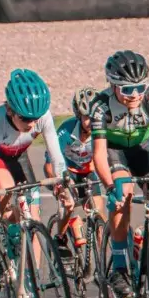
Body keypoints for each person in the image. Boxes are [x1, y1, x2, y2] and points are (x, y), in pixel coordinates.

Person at [0, 68, 70, 298]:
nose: (31, 123)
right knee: (1, 188)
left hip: (18, 158)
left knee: (31, 219)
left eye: (35, 117)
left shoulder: (42, 117)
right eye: (25, 118)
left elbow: (57, 157)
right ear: (9, 110)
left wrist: (63, 184)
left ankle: (32, 287)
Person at [90, 50, 149, 298]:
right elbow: (100, 154)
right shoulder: (100, 106)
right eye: (126, 90)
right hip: (115, 152)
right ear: (113, 86)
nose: (134, 95)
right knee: (122, 194)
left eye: (139, 88)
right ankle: (121, 267)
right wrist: (109, 187)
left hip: (144, 148)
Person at [43, 87, 106, 256]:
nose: (92, 122)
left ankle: (102, 262)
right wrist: (58, 184)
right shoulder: (66, 130)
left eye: (95, 117)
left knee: (100, 214)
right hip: (65, 172)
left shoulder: (103, 130)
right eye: (87, 118)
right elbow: (49, 164)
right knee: (68, 204)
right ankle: (60, 237)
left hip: (88, 172)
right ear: (79, 116)